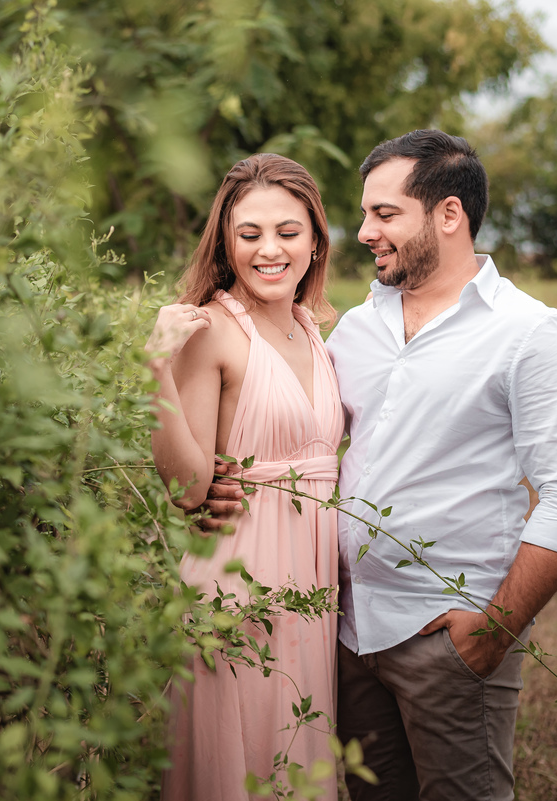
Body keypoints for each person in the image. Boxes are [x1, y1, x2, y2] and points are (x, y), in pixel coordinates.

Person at [203, 130, 557, 801]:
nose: (363, 231)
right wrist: (225, 479)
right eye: (364, 214)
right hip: (346, 631)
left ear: (448, 214)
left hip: (446, 638)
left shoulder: (530, 334)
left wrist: (491, 633)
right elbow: (303, 439)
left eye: (384, 214)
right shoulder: (355, 327)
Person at [144, 153, 344, 801]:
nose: (270, 249)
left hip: (311, 581)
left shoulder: (315, 327)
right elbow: (188, 488)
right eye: (249, 233)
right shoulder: (213, 331)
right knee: (241, 757)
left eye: (288, 231)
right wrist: (153, 371)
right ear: (226, 243)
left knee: (296, 746)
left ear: (315, 240)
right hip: (240, 579)